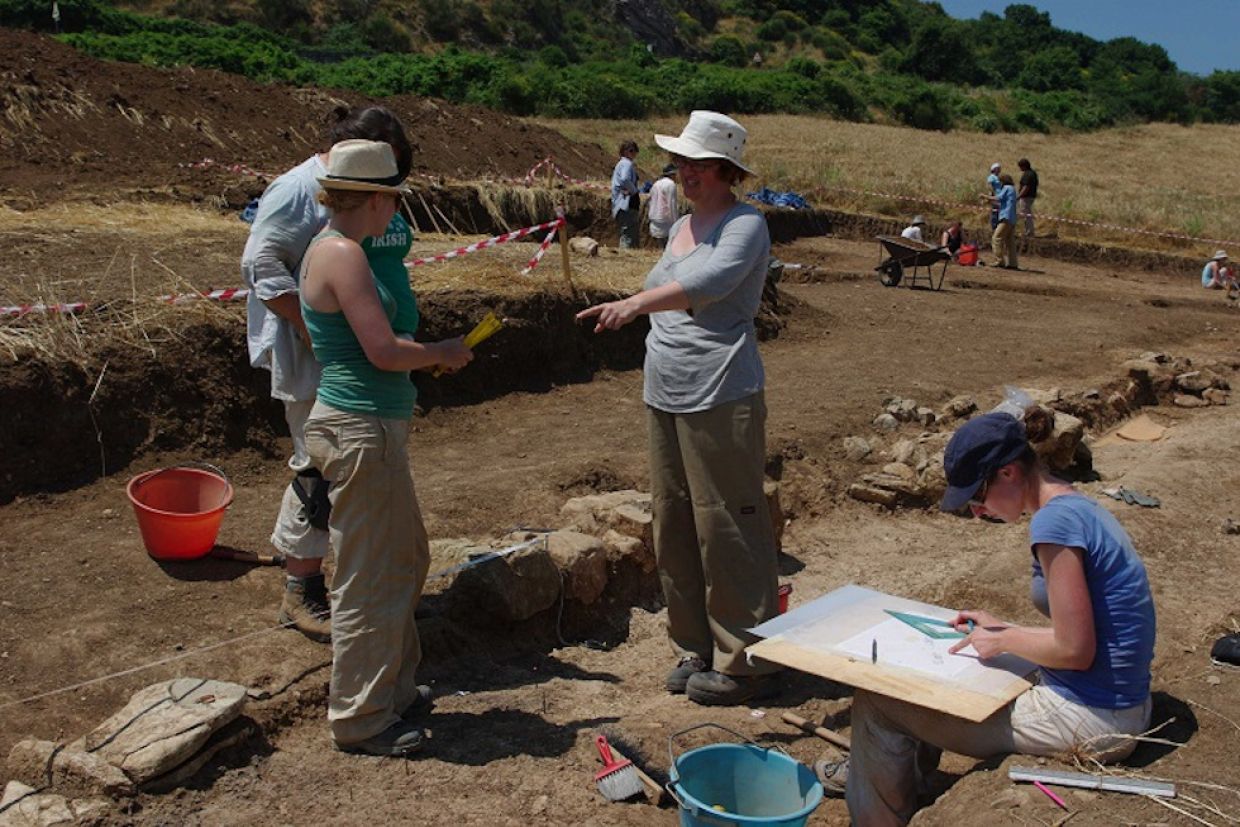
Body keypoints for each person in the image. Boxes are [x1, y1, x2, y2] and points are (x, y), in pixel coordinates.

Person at [819, 410, 1155, 826]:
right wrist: (1006, 628)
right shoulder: (1076, 505)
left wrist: (1004, 641)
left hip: (1095, 720)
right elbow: (1094, 628)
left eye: (977, 496)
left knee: (877, 700)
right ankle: (912, 784)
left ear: (1009, 473)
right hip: (1121, 702)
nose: (977, 512)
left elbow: (1075, 649)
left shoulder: (1054, 524)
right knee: (944, 674)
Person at [577, 111, 780, 706]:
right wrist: (644, 306)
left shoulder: (746, 225)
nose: (685, 172)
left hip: (721, 389)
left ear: (726, 169)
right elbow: (672, 285)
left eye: (698, 163)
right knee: (674, 519)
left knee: (728, 521)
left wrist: (635, 302)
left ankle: (744, 656)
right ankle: (693, 644)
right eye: (682, 162)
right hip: (665, 387)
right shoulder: (684, 224)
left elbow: (711, 283)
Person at [299, 139, 473, 756]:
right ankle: (361, 718)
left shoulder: (344, 249)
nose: (395, 213)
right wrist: (440, 353)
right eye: (392, 201)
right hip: (359, 427)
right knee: (370, 576)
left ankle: (391, 690)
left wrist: (426, 354)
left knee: (405, 560)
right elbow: (382, 352)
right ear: (375, 199)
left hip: (370, 425)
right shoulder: (343, 254)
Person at [241, 105, 415, 643]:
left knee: (349, 474)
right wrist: (314, 328)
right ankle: (302, 589)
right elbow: (260, 266)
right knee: (315, 469)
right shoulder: (295, 191)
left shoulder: (365, 192)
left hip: (362, 356)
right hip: (318, 354)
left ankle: (362, 593)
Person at [611, 140, 641, 249]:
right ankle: (626, 254)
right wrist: (634, 190)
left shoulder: (621, 164)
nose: (633, 153)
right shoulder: (626, 164)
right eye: (630, 150)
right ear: (624, 151)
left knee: (627, 232)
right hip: (626, 204)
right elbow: (624, 179)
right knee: (628, 234)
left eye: (634, 151)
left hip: (621, 204)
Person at [984, 174, 1018, 269]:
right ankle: (1013, 263)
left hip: (1005, 217)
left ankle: (999, 261)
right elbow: (1003, 203)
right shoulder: (1012, 189)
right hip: (1012, 218)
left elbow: (998, 198)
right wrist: (990, 201)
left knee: (996, 238)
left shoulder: (1007, 188)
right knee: (1009, 241)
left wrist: (986, 197)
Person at [647, 163, 680, 247]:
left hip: (654, 221)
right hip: (665, 223)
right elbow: (671, 205)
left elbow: (650, 201)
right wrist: (676, 223)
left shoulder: (656, 184)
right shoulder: (671, 185)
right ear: (672, 174)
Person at [1017, 158, 1038, 240]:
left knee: (1025, 214)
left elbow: (1026, 187)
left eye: (1020, 167)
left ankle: (1029, 232)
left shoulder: (1027, 175)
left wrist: (1019, 196)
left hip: (1026, 197)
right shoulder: (1033, 173)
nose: (1020, 169)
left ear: (1024, 166)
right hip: (1031, 196)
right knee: (1027, 214)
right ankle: (1028, 231)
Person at [986, 162, 1002, 230]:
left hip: (999, 197)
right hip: (995, 197)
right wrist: (991, 197)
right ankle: (994, 227)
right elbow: (990, 187)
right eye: (998, 168)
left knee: (998, 212)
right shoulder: (992, 177)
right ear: (994, 169)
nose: (999, 170)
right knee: (995, 212)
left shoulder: (997, 177)